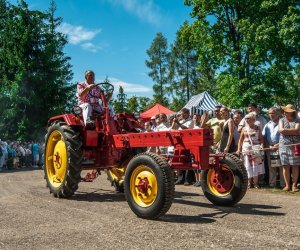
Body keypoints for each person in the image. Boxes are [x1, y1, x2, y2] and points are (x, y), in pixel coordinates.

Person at [237, 112, 264, 188]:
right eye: (245, 118)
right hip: (246, 149)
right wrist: (239, 149)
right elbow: (240, 140)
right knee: (247, 166)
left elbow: (261, 139)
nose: (246, 120)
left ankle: (256, 183)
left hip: (256, 149)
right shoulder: (244, 128)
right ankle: (249, 184)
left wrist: (261, 145)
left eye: (248, 118)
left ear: (253, 119)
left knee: (255, 166)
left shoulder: (258, 128)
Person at [278, 104, 300, 192]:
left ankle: (294, 185)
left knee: (295, 166)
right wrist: (294, 132)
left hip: (295, 146)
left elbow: (297, 130)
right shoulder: (281, 120)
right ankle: (287, 185)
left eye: (288, 112)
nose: (286, 113)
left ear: (292, 112)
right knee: (285, 166)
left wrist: (285, 131)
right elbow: (280, 130)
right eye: (285, 111)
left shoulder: (297, 120)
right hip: (283, 146)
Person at [263, 107, 284, 188]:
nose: (271, 115)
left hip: (281, 147)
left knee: (281, 166)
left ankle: (283, 184)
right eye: (270, 113)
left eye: (273, 113)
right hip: (270, 148)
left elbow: (284, 136)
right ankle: (272, 184)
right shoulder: (267, 125)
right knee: (272, 167)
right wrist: (269, 146)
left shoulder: (282, 122)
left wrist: (277, 145)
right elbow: (264, 137)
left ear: (278, 114)